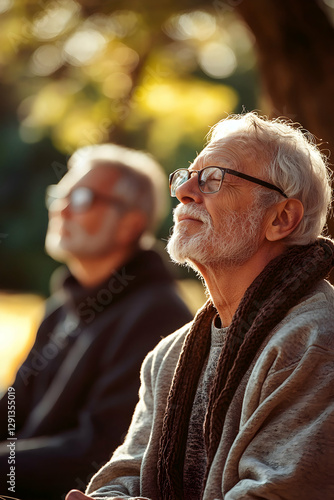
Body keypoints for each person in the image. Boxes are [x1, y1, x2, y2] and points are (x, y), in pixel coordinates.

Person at [66, 112, 334, 500]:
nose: (184, 191)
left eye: (213, 179)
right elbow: (122, 478)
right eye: (186, 175)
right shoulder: (168, 357)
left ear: (281, 218)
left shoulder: (316, 340)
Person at [0, 144, 192, 500]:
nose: (61, 208)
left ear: (130, 223)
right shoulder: (62, 307)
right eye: (59, 194)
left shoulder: (158, 317)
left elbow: (100, 451)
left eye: (84, 197)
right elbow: (13, 407)